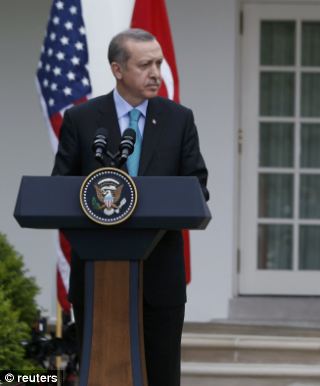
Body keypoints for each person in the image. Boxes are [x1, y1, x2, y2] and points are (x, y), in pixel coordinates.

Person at [52, 28, 208, 386]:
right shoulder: (82, 119)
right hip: (96, 276)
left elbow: (197, 187)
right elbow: (60, 189)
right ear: (117, 70)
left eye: (159, 62)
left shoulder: (178, 119)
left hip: (159, 277)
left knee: (161, 374)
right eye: (145, 64)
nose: (156, 72)